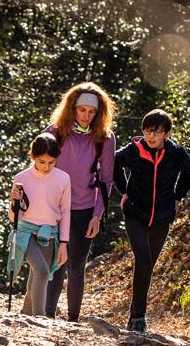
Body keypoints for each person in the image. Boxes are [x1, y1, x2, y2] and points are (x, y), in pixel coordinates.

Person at [113, 109, 190, 333]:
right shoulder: (134, 150)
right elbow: (113, 163)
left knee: (148, 265)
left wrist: (178, 196)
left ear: (166, 134)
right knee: (143, 260)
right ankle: (138, 318)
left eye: (157, 132)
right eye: (147, 131)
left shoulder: (175, 153)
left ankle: (135, 316)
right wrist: (124, 190)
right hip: (135, 214)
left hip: (162, 217)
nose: (151, 137)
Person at [42, 82, 117, 322]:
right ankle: (47, 315)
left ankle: (72, 319)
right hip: (55, 208)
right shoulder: (55, 132)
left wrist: (97, 215)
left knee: (76, 266)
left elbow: (106, 180)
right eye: (81, 110)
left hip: (85, 209)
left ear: (99, 113)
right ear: (72, 108)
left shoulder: (104, 139)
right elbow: (38, 166)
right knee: (55, 263)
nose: (86, 116)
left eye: (91, 112)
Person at [8, 133, 71, 317]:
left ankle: (26, 314)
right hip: (25, 232)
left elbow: (65, 211)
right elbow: (14, 217)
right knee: (42, 271)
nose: (46, 167)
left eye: (51, 162)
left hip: (49, 232)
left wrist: (64, 243)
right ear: (33, 157)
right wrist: (13, 202)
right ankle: (39, 318)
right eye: (41, 161)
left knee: (36, 276)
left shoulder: (63, 178)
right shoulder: (22, 177)